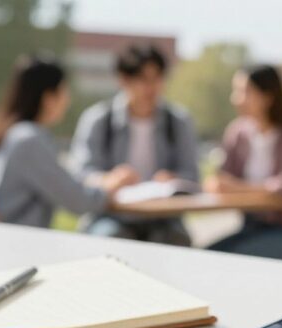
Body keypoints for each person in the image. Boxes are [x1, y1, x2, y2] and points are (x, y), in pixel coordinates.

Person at [0, 55, 133, 228]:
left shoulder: (4, 133)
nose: (68, 100)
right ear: (48, 98)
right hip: (16, 240)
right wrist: (112, 186)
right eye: (64, 91)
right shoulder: (29, 140)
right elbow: (78, 201)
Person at [71, 44, 199, 245]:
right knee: (112, 239)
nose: (152, 87)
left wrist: (174, 180)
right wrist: (109, 179)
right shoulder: (99, 120)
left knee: (177, 241)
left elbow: (193, 175)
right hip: (110, 215)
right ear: (124, 79)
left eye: (157, 78)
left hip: (163, 218)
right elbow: (81, 175)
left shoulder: (178, 122)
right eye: (144, 79)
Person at [204, 65, 282, 261]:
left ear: (268, 97)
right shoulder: (238, 133)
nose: (236, 99)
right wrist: (218, 184)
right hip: (251, 228)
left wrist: (237, 188)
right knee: (203, 255)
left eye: (244, 92)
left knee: (223, 261)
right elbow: (222, 178)